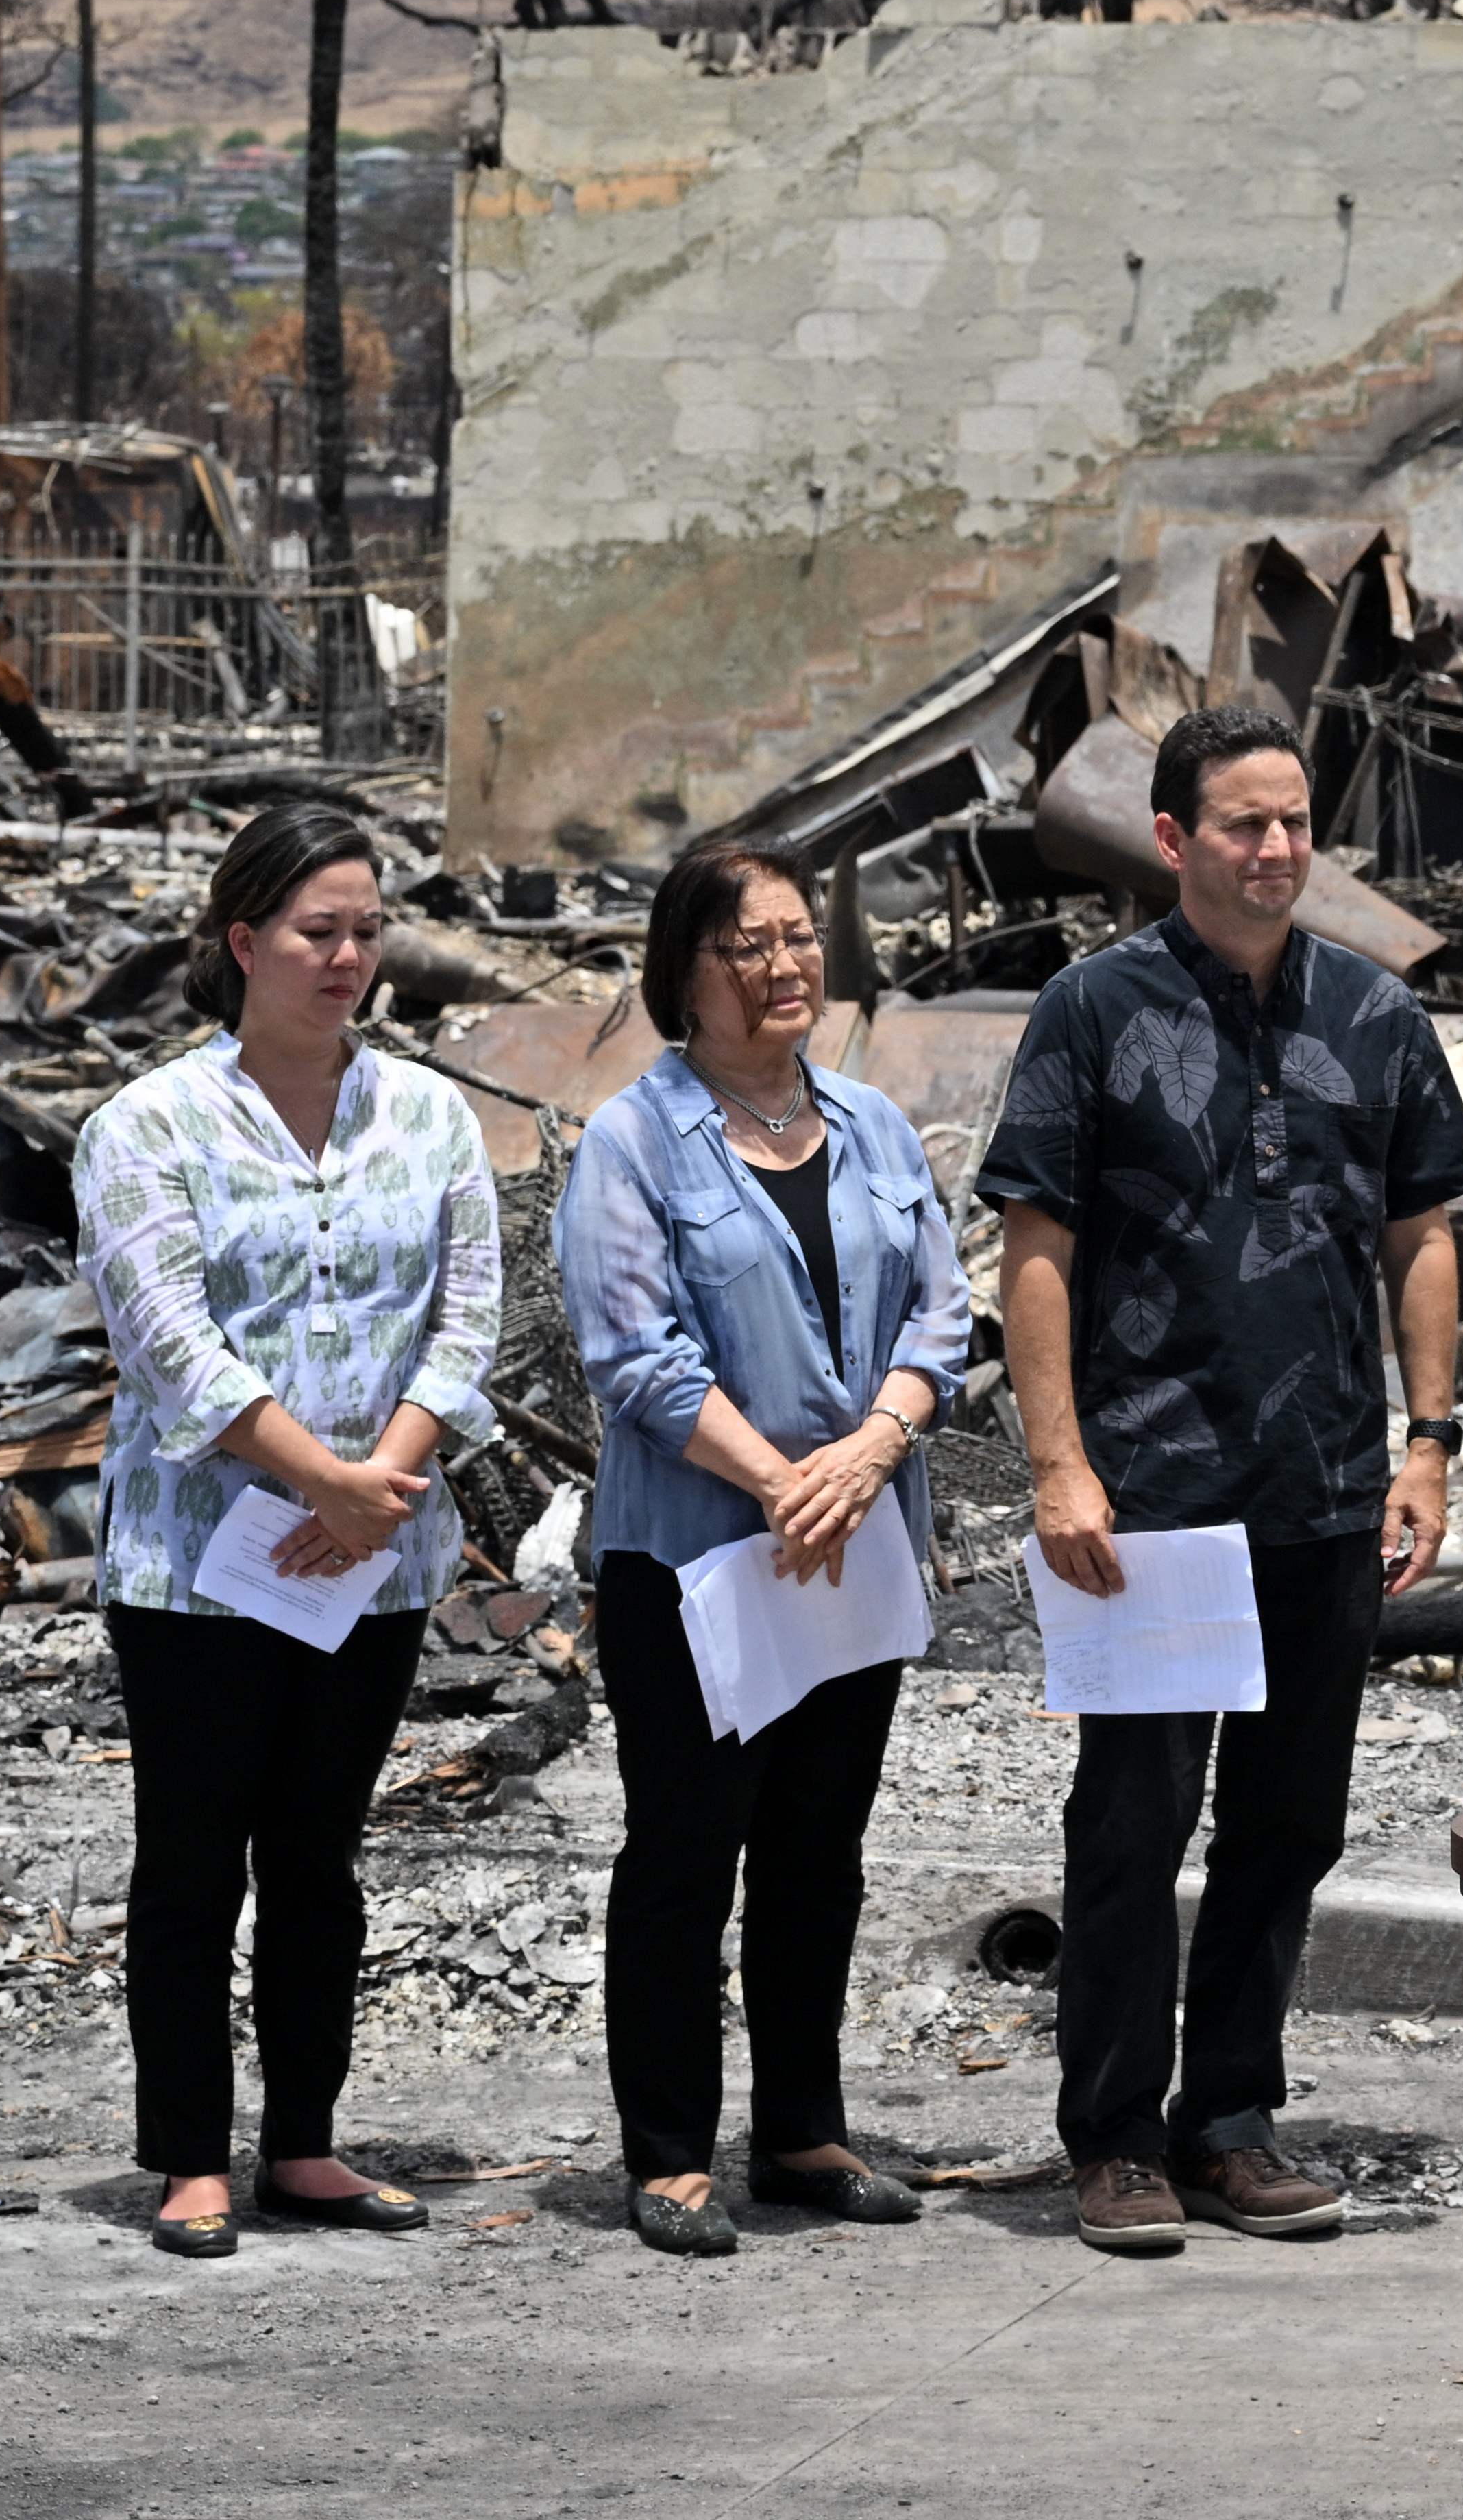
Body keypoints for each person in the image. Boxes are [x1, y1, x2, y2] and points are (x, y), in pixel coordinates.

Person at [986, 705, 1463, 2259]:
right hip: (1149, 1501)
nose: (1276, 851)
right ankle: (1117, 2138)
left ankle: (1230, 2122)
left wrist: (1428, 1439)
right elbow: (1037, 1250)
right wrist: (1058, 1464)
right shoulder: (1093, 1009)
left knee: (1289, 1824)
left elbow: (1422, 1232)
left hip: (1327, 1488)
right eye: (1243, 825)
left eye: (1293, 823)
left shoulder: (1376, 1013)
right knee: (1134, 1822)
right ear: (1174, 839)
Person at [76, 803, 504, 2262]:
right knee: (193, 1857)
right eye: (318, 932)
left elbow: (468, 1310)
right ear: (244, 941)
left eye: (367, 931)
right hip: (201, 1564)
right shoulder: (145, 1125)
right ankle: (192, 2153)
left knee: (320, 1859)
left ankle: (305, 2139)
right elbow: (170, 1342)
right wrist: (313, 1473)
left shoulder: (431, 1114)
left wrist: (377, 1479)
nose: (346, 957)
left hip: (373, 1556)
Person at [558, 836, 970, 2258]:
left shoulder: (871, 1126)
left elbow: (941, 1315)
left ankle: (802, 2127)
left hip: (852, 1541)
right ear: (686, 968)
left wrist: (872, 1449)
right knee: (686, 1848)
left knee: (820, 1849)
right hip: (696, 1556)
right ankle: (669, 2147)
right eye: (752, 943)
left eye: (801, 937)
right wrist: (784, 1475)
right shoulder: (632, 1138)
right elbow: (633, 1352)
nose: (787, 965)